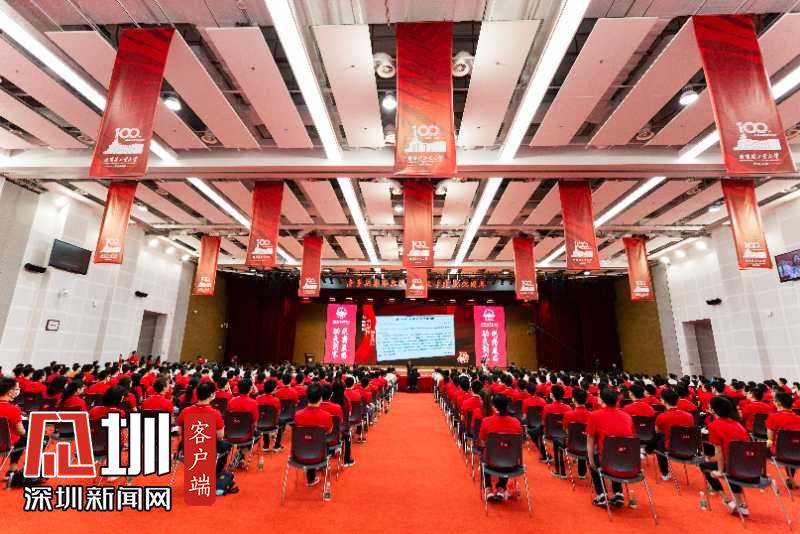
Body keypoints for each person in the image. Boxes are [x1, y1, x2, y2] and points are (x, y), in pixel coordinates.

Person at [700, 396, 750, 516]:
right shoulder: (738, 424)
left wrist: (719, 471)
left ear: (713, 410)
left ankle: (726, 499)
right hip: (747, 465)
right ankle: (741, 503)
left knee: (704, 466)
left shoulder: (714, 425)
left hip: (732, 465)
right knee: (732, 466)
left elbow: (719, 452)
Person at [586, 388, 635, 507]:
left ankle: (601, 494)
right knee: (617, 451)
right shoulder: (627, 416)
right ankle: (618, 493)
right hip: (630, 464)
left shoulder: (595, 415)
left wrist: (591, 462)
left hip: (609, 463)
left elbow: (590, 440)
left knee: (593, 456)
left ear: (602, 400)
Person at [177, 381, 231, 475]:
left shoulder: (185, 411)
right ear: (212, 395)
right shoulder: (215, 413)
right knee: (226, 444)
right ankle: (217, 472)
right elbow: (220, 436)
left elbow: (180, 432)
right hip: (207, 451)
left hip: (187, 450)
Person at [0, 377, 46, 486]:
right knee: (38, 439)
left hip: (4, 442)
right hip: (6, 445)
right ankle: (30, 473)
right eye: (16, 389)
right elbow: (21, 432)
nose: (18, 391)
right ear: (10, 391)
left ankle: (12, 469)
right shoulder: (13, 409)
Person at [478, 393, 523, 502]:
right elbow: (519, 444)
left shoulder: (486, 421)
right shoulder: (516, 422)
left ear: (494, 406)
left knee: (485, 453)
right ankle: (501, 488)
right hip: (511, 463)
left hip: (491, 462)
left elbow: (482, 442)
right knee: (506, 452)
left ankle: (488, 488)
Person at [293, 383, 333, 486]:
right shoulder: (326, 416)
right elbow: (329, 431)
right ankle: (322, 468)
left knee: (308, 439)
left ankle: (311, 478)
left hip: (299, 453)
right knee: (321, 440)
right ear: (321, 398)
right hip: (320, 454)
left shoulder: (297, 415)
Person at [651, 389, 694, 480]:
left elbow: (657, 431)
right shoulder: (689, 416)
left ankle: (665, 473)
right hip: (689, 449)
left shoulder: (661, 416)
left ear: (663, 401)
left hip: (673, 449)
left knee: (659, 442)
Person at [766, 392, 800, 489]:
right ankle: (790, 479)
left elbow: (770, 438)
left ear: (778, 403)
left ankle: (762, 476)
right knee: (792, 445)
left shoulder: (773, 417)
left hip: (780, 452)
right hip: (797, 453)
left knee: (761, 448)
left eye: (774, 400)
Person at [543, 385, 571, 478]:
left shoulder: (547, 407)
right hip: (564, 434)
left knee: (556, 440)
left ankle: (559, 470)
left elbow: (544, 422)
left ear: (552, 395)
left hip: (550, 434)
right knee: (559, 439)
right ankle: (560, 470)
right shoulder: (568, 408)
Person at [561, 388, 590, 479]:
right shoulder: (592, 415)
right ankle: (582, 472)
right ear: (586, 400)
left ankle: (561, 472)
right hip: (587, 446)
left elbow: (566, 431)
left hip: (572, 445)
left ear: (573, 400)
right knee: (584, 438)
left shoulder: (568, 414)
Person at [255, 380, 281, 451]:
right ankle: (277, 446)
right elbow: (278, 413)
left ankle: (266, 445)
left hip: (260, 423)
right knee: (280, 422)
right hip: (272, 423)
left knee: (264, 418)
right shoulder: (276, 400)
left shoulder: (258, 398)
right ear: (274, 389)